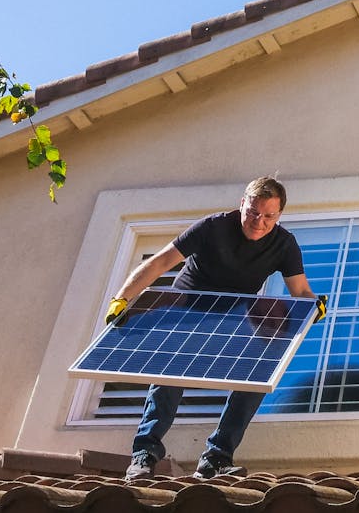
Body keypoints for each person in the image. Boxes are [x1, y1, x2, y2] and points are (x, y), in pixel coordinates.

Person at [106, 177, 322, 480]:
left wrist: (314, 307)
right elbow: (159, 263)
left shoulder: (283, 244)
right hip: (187, 310)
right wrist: (122, 299)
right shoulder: (213, 227)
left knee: (259, 372)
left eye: (268, 216)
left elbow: (300, 291)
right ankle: (144, 454)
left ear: (279, 215)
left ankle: (216, 458)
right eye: (253, 212)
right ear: (242, 205)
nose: (259, 222)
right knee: (169, 374)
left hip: (232, 316)